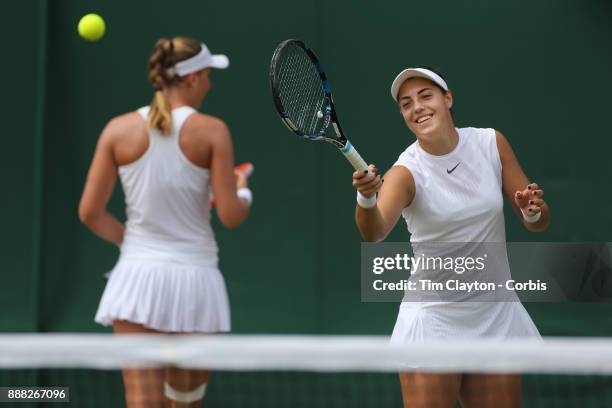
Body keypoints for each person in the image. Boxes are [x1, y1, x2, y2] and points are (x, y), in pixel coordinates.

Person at [352, 67, 550, 408]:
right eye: (406, 103)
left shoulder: (491, 143)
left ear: (447, 99)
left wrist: (532, 211)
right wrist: (366, 198)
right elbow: (374, 232)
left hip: (494, 315)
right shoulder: (405, 171)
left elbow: (537, 221)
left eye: (425, 96)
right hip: (434, 320)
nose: (417, 107)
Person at [78, 36, 252, 407]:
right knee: (186, 402)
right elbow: (230, 215)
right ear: (192, 79)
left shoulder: (117, 129)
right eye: (207, 76)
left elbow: (89, 213)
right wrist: (243, 191)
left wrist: (132, 243)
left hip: (137, 278)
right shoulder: (212, 131)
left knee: (142, 401)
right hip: (194, 282)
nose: (209, 84)